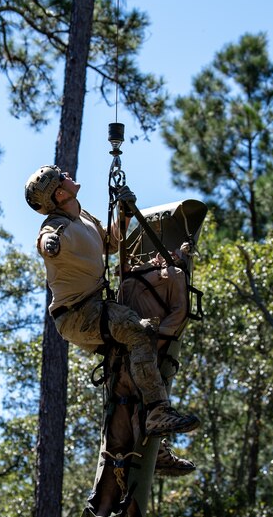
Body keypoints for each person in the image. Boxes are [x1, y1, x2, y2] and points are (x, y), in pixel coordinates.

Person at [25, 164, 201, 444]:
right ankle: (157, 412)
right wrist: (51, 245)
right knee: (137, 330)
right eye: (62, 178)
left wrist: (125, 214)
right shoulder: (56, 226)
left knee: (133, 353)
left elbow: (111, 242)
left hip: (95, 307)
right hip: (77, 315)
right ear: (59, 194)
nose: (68, 176)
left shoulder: (81, 216)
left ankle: (154, 448)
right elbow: (46, 240)